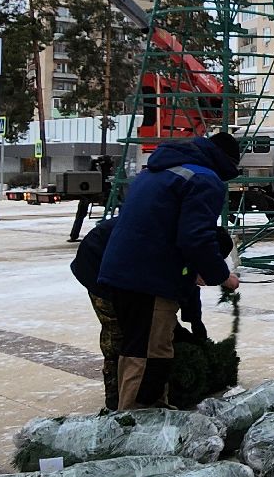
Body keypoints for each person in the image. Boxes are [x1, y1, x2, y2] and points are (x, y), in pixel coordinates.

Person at [95, 133, 240, 410]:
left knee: (138, 346)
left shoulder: (159, 170)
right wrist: (222, 276)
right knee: (152, 352)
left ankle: (147, 410)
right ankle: (139, 421)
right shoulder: (203, 178)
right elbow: (196, 238)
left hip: (122, 271)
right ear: (227, 164)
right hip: (149, 277)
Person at [72, 215, 216, 411]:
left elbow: (184, 289)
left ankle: (137, 389)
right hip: (97, 263)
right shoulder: (175, 249)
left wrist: (195, 322)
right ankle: (114, 395)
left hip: (127, 260)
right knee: (118, 333)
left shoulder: (186, 249)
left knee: (147, 325)